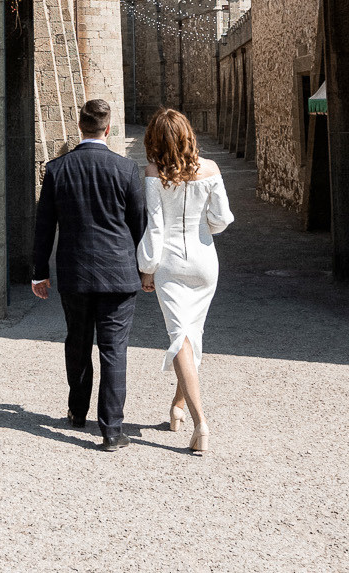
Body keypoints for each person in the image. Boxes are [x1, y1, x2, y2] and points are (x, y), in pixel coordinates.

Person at [31, 97, 147, 451]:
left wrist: (39, 273)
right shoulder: (126, 170)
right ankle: (112, 430)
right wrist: (146, 269)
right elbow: (140, 225)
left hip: (75, 272)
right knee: (114, 349)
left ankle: (77, 411)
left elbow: (44, 227)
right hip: (118, 274)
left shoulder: (57, 169)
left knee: (77, 343)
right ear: (108, 129)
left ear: (79, 127)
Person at [137, 107, 233, 457]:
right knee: (192, 334)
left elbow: (156, 227)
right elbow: (221, 219)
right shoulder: (210, 170)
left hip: (171, 264)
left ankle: (200, 422)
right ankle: (177, 406)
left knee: (180, 337)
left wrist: (146, 267)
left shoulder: (152, 172)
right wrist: (204, 225)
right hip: (205, 260)